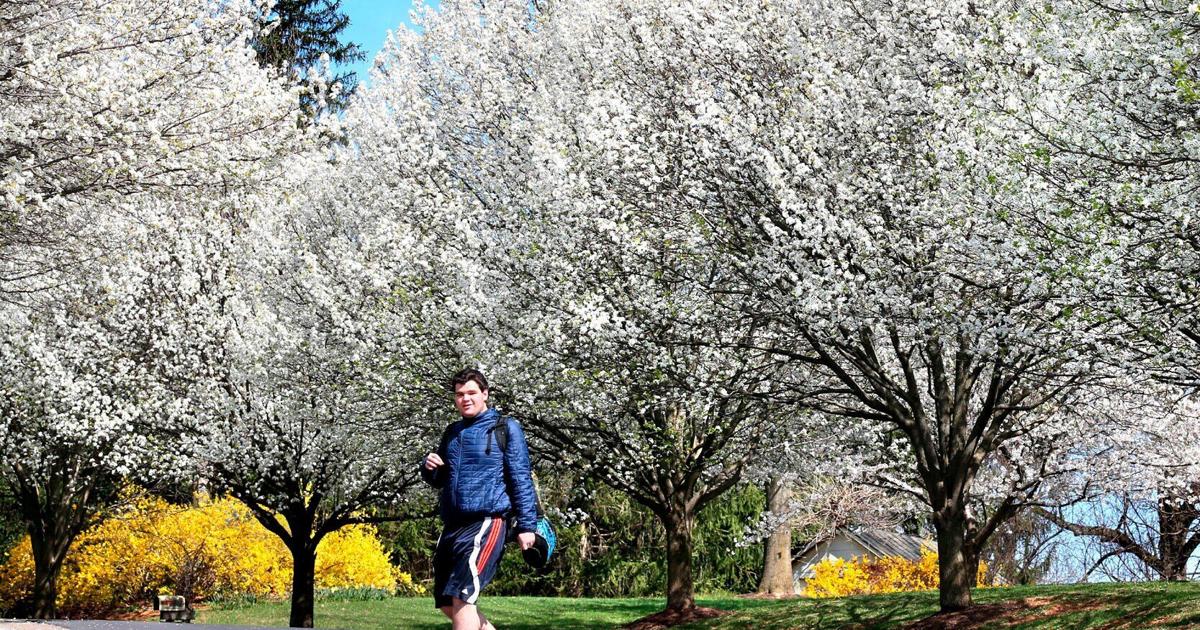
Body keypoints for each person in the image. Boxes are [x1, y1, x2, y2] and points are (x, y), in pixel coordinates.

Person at [421, 368, 538, 630]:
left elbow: (520, 477)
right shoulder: (452, 432)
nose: (466, 398)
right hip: (453, 524)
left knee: (463, 596)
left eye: (472, 392)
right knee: (445, 601)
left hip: (488, 520)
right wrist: (429, 468)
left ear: (484, 394)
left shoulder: (505, 428)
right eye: (460, 394)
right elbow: (441, 479)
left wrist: (527, 525)